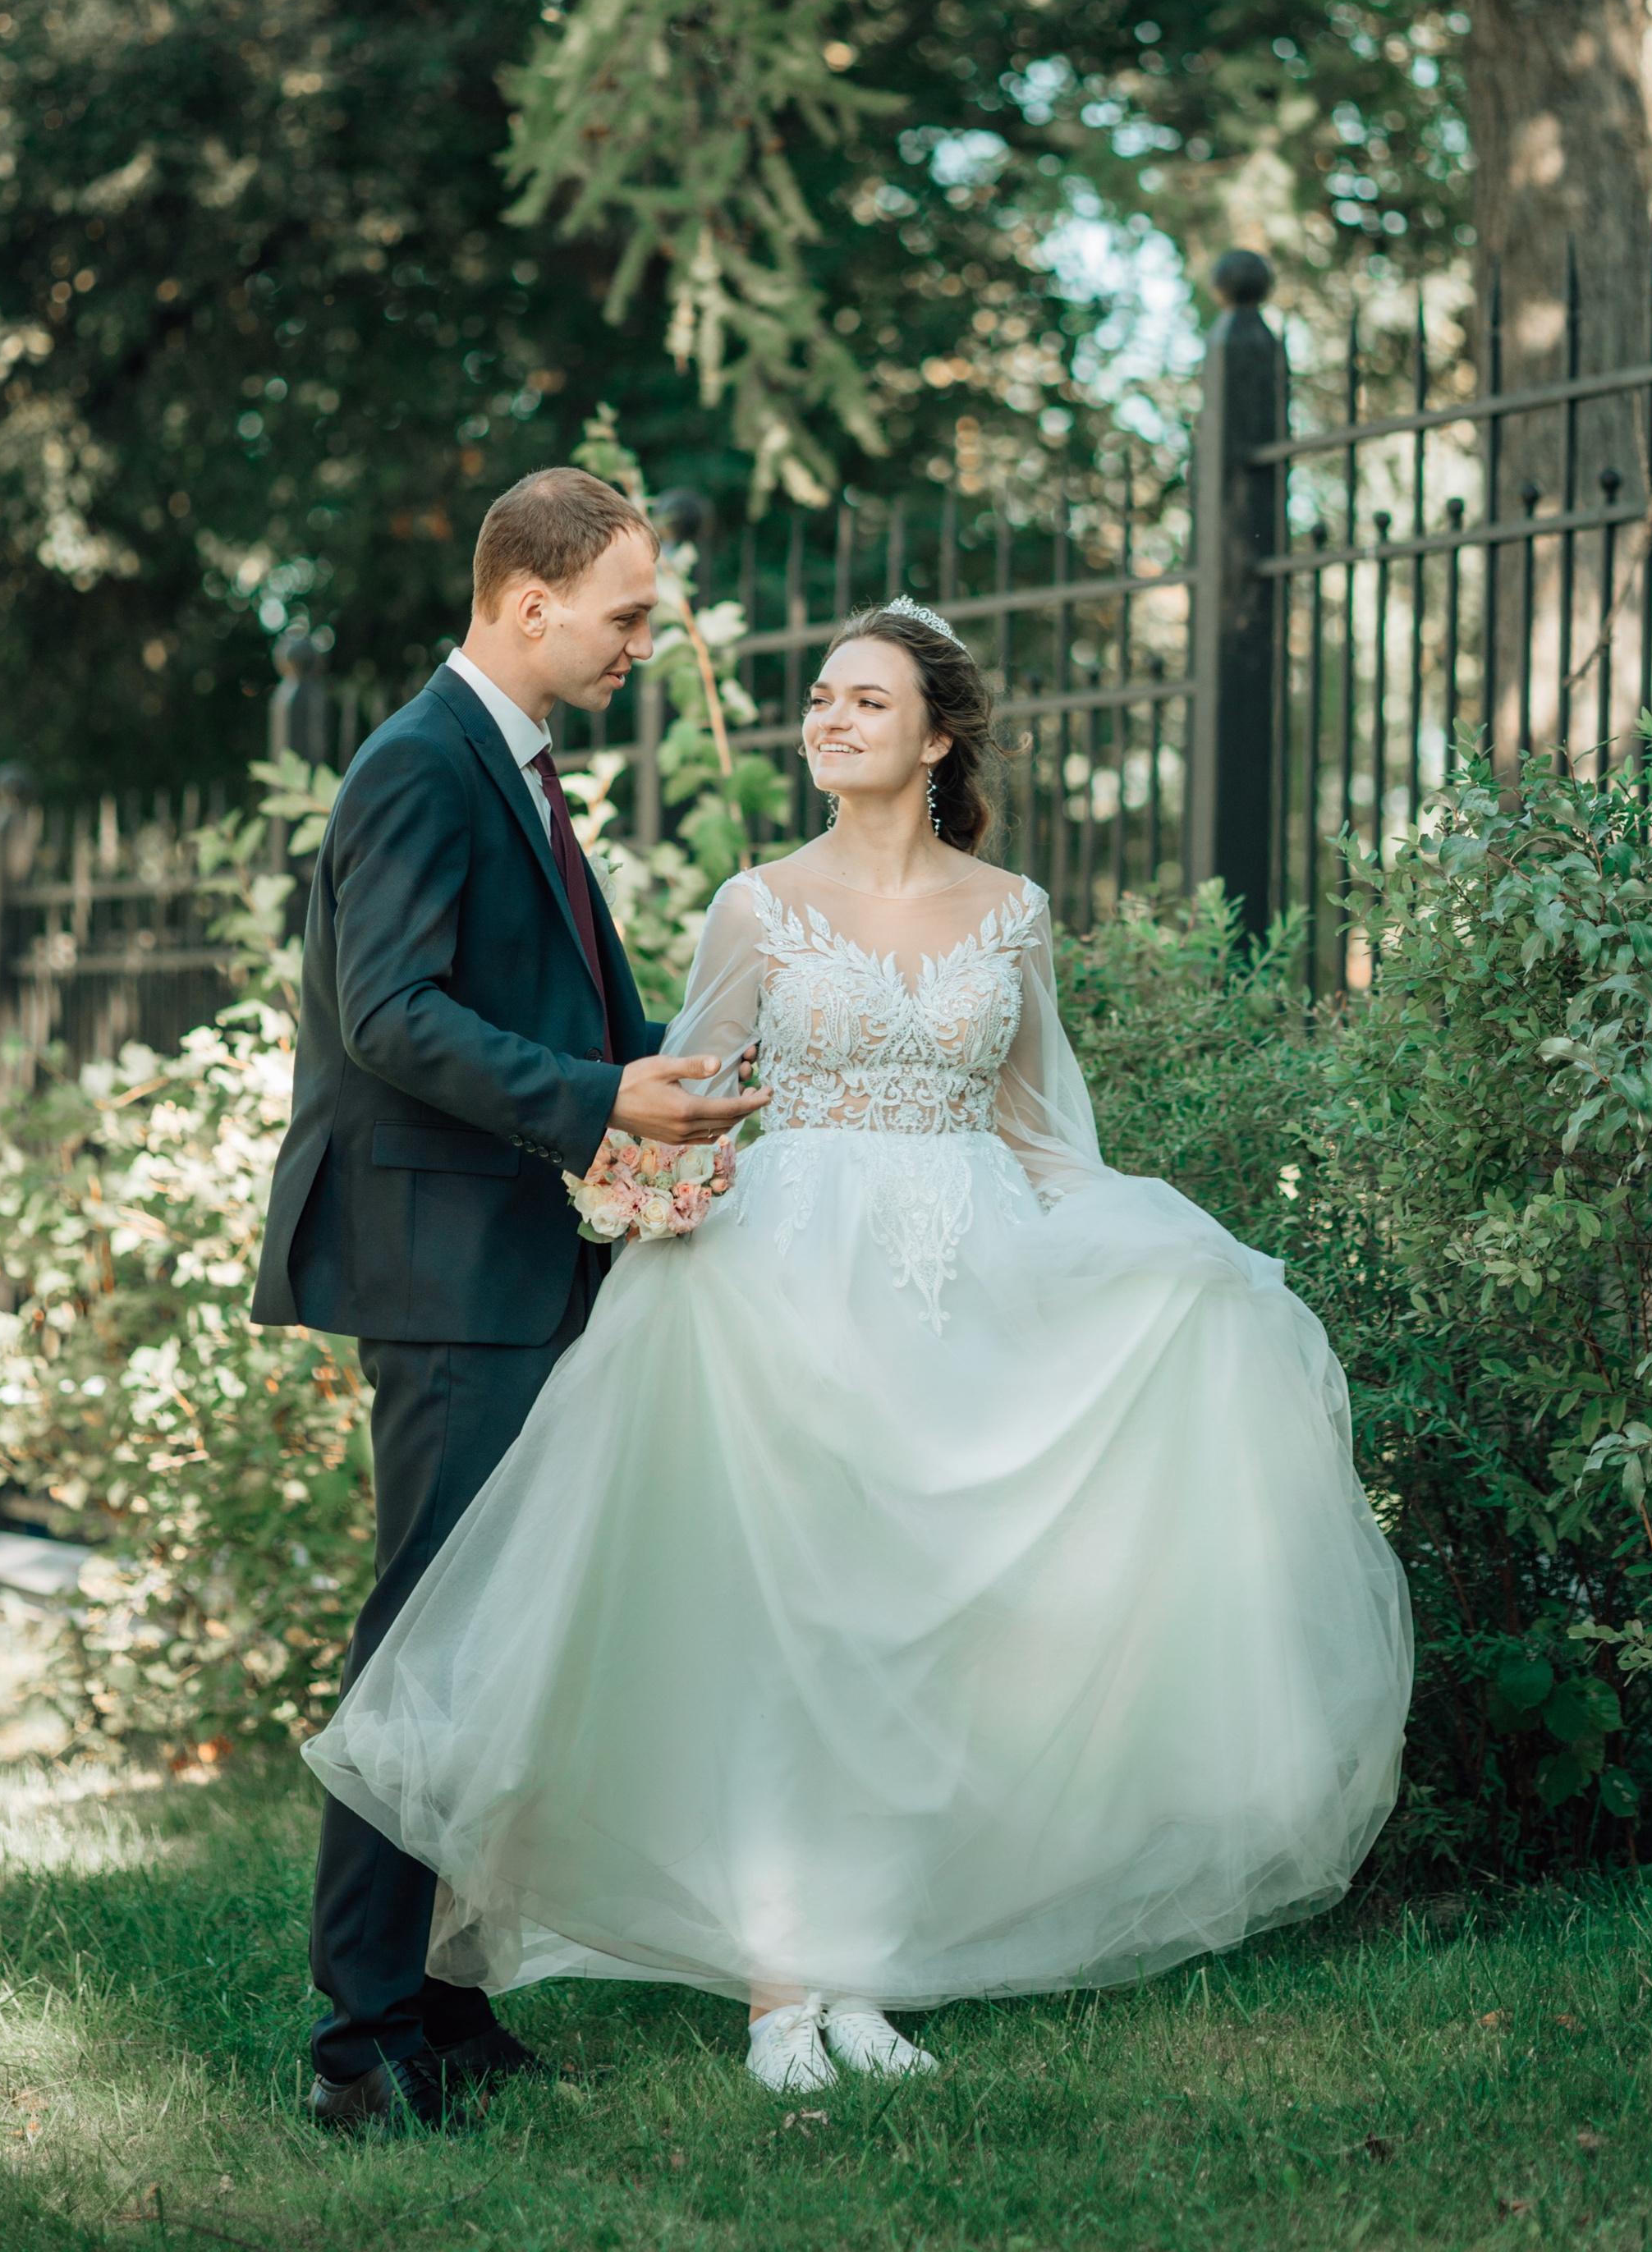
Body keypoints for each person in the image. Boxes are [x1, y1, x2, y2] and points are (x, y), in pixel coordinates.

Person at [303, 596, 1412, 2095]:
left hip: (954, 1277)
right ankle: (781, 1991)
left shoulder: (1009, 912)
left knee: (920, 1626)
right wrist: (654, 1173)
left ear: (938, 736)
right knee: (795, 1619)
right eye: (820, 698)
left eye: (865, 702)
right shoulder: (758, 906)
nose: (827, 718)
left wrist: (1168, 1249)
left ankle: (868, 1969)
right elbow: (690, 1087)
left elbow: (1033, 1123)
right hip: (778, 1280)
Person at [252, 466, 767, 2129]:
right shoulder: (418, 763)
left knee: (489, 1647)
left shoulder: (509, 763)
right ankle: (358, 2046)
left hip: (507, 1249)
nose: (640, 643)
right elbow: (389, 1015)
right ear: (525, 602)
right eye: (624, 616)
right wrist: (602, 1100)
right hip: (442, 1265)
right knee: (426, 1645)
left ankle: (445, 2005)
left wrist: (632, 1077)